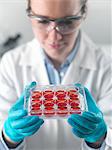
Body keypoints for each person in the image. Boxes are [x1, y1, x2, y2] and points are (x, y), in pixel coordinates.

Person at [0, 0, 112, 149]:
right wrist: (8, 138)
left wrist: (100, 139)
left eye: (67, 22)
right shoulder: (10, 64)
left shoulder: (106, 66)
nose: (54, 37)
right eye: (43, 21)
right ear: (29, 14)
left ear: (83, 13)